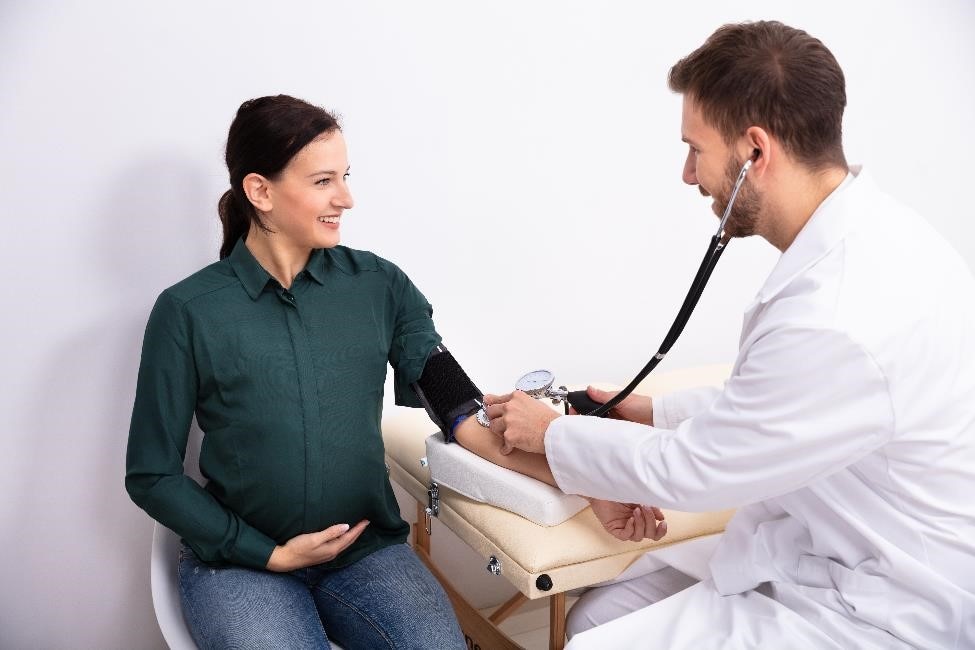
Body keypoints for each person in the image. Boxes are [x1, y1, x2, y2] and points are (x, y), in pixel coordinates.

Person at [484, 21, 975, 649]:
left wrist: (554, 434)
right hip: (822, 542)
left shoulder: (838, 312)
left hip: (886, 601)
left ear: (754, 154)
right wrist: (651, 411)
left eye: (696, 149)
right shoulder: (873, 237)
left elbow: (699, 471)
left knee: (591, 644)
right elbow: (783, 408)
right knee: (598, 615)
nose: (689, 174)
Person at [126, 95, 492, 650]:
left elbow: (457, 404)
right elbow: (151, 474)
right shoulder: (189, 311)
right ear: (261, 191)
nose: (345, 198)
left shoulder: (379, 285)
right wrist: (267, 553)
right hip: (242, 565)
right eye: (324, 181)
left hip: (366, 552)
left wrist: (571, 470)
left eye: (344, 177)